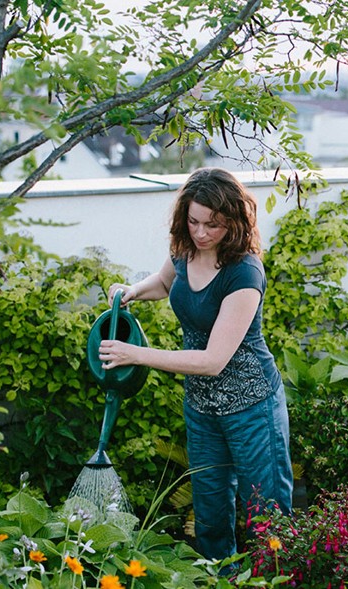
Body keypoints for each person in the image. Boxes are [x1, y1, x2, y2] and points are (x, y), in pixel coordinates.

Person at [99, 167, 293, 567]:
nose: (201, 233)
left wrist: (134, 354)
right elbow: (166, 283)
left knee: (267, 517)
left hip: (252, 407)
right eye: (193, 221)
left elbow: (211, 361)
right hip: (203, 409)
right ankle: (220, 578)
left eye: (213, 225)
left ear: (234, 222)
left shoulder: (244, 273)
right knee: (209, 517)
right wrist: (133, 291)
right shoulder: (185, 250)